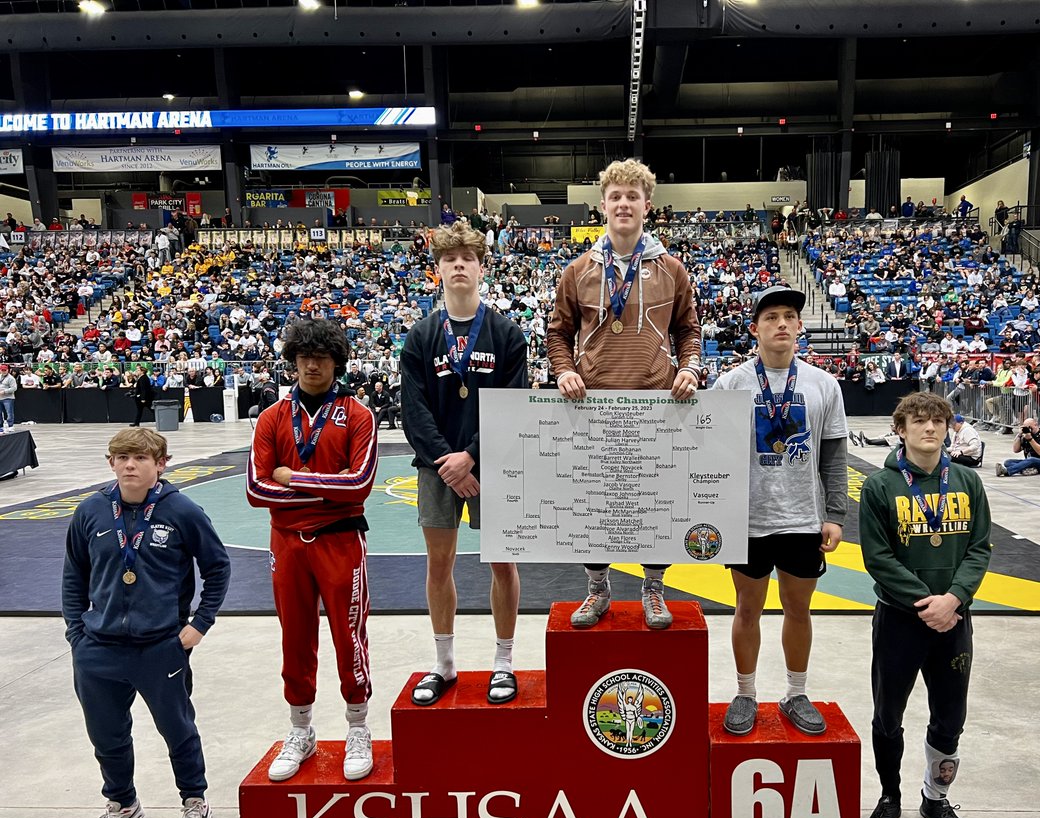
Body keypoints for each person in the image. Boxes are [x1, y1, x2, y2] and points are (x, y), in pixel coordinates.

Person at [546, 157, 702, 630]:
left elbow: (688, 330)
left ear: (647, 206)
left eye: (633, 196)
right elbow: (558, 333)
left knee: (657, 501)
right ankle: (597, 589)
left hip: (657, 402)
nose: (624, 204)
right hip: (593, 404)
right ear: (602, 206)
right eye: (616, 196)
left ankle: (653, 588)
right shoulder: (577, 270)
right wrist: (563, 370)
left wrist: (692, 368)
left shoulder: (672, 269)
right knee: (596, 504)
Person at [62, 428, 230, 818]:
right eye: (122, 458)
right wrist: (77, 635)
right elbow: (73, 577)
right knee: (107, 735)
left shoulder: (182, 511)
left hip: (161, 647)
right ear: (111, 463)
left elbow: (217, 567)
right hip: (98, 649)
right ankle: (122, 804)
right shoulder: (91, 512)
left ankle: (194, 801)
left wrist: (200, 624)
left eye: (139, 457)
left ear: (161, 463)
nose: (130, 465)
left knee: (178, 729)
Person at [400, 221, 529, 705]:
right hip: (436, 469)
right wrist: (446, 461)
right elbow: (413, 410)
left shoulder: (505, 333)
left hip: (492, 465)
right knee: (439, 563)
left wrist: (472, 455)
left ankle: (503, 661)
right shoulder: (420, 336)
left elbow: (513, 403)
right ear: (437, 270)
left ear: (481, 267)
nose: (458, 265)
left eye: (467, 258)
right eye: (449, 259)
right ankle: (445, 664)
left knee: (502, 562)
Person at [246, 319, 380, 783]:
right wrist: (327, 489)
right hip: (287, 544)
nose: (311, 363)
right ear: (292, 361)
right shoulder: (272, 417)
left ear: (336, 362)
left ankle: (358, 727)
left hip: (341, 540)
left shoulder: (359, 415)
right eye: (303, 356)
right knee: (294, 637)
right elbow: (254, 490)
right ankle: (300, 730)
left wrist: (293, 477)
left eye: (321, 356)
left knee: (349, 637)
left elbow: (360, 484)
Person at [712, 286, 849, 737]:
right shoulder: (731, 383)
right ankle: (746, 693)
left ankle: (795, 692)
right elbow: (708, 450)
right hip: (747, 520)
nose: (782, 324)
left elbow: (834, 455)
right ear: (755, 329)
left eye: (790, 316)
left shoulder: (823, 385)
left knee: (798, 609)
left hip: (801, 518)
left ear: (800, 327)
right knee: (746, 609)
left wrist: (835, 513)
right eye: (771, 317)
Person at [859, 392, 992, 818]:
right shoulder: (880, 486)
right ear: (901, 429)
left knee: (950, 717)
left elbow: (980, 548)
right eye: (919, 421)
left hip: (954, 621)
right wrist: (927, 603)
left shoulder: (969, 483)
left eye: (938, 420)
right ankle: (890, 796)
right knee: (887, 715)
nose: (929, 428)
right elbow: (877, 558)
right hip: (900, 619)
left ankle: (935, 799)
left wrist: (953, 599)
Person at [0, 364, 15, 432]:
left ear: (8, 370)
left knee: (9, 412)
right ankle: (0, 426)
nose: (3, 371)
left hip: (8, 398)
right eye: (2, 370)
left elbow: (14, 388)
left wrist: (5, 391)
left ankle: (10, 425)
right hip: (0, 398)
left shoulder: (11, 378)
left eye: (5, 370)